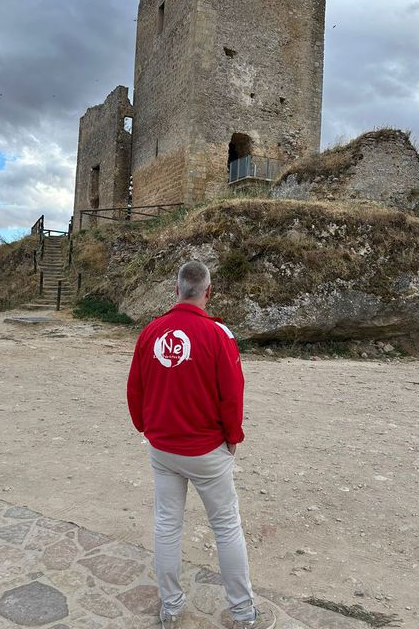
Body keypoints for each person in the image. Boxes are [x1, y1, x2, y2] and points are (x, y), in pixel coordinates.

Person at [127, 261, 276, 628]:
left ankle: (171, 607)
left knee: (167, 524)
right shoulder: (218, 334)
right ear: (208, 292)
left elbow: (135, 389)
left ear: (176, 289)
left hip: (163, 448)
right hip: (207, 449)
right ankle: (243, 613)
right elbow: (232, 394)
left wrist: (147, 427)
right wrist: (233, 437)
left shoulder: (150, 332)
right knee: (226, 527)